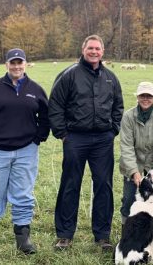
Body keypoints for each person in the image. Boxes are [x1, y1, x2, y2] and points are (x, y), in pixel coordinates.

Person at [48, 34, 124, 252]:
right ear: (83, 50)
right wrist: (63, 133)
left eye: (97, 49)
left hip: (102, 139)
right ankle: (64, 235)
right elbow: (55, 106)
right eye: (90, 48)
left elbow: (118, 105)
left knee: (103, 185)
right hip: (75, 138)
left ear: (102, 52)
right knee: (70, 184)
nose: (94, 52)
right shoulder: (69, 75)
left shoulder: (110, 77)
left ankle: (102, 235)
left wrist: (113, 129)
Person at [0, 48, 50, 254]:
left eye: (20, 62)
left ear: (25, 64)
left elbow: (45, 116)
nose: (16, 66)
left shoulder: (36, 89)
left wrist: (37, 139)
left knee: (23, 195)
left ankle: (23, 240)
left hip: (26, 151)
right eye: (12, 63)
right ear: (6, 64)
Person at [118, 81, 153, 223]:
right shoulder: (128, 117)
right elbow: (126, 147)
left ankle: (146, 232)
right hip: (132, 165)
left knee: (150, 201)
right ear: (137, 97)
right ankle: (127, 230)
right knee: (129, 200)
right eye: (142, 95)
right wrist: (134, 172)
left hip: (151, 166)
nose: (146, 99)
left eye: (149, 96)